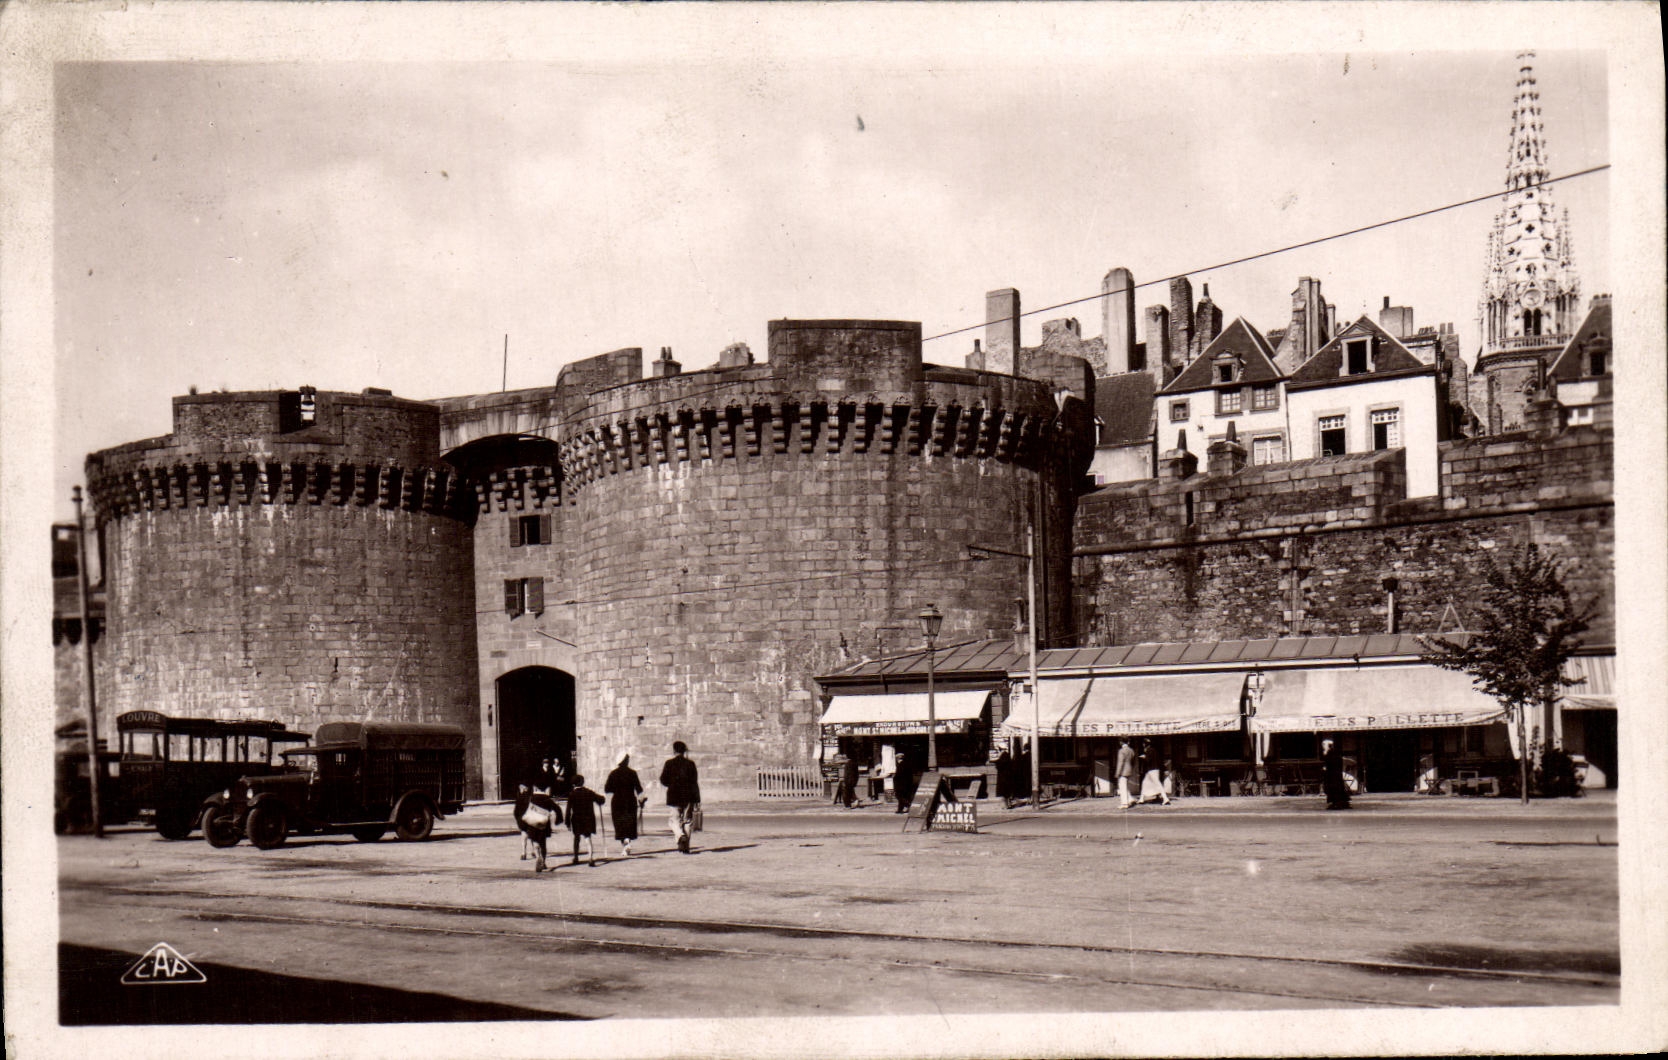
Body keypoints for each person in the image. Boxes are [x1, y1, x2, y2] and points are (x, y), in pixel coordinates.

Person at [660, 740, 701, 853]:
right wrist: (697, 799)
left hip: (674, 796)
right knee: (687, 821)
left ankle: (680, 835)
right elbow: (694, 782)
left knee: (674, 820)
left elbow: (663, 780)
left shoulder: (669, 763)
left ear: (674, 751)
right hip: (688, 796)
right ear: (684, 751)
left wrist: (671, 784)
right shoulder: (691, 764)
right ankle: (685, 847)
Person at [514, 783, 562, 873]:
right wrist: (558, 820)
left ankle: (537, 857)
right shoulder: (548, 799)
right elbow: (557, 809)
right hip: (544, 824)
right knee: (543, 843)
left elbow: (522, 810)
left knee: (535, 842)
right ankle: (543, 862)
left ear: (535, 788)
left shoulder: (530, 798)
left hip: (532, 823)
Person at [605, 754, 645, 857]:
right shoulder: (632, 773)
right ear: (626, 761)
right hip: (630, 800)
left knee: (619, 823)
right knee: (629, 822)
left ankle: (624, 843)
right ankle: (627, 841)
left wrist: (616, 788)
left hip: (617, 801)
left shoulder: (613, 774)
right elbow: (639, 789)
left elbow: (607, 789)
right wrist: (642, 800)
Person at [566, 774, 607, 865]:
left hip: (576, 820)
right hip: (588, 819)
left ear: (573, 784)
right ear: (582, 782)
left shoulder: (572, 794)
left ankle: (576, 857)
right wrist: (602, 799)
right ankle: (590, 857)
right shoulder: (588, 792)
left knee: (577, 838)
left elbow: (568, 810)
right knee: (587, 838)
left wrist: (567, 822)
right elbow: (600, 799)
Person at [1138, 741, 1171, 805]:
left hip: (1151, 770)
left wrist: (1144, 757)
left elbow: (1148, 760)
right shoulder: (1155, 751)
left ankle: (1165, 798)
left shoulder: (1148, 751)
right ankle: (1141, 799)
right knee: (1145, 783)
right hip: (1155, 770)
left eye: (1143, 744)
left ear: (1145, 745)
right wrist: (1164, 769)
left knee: (1157, 784)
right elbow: (1159, 761)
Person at [1322, 738, 1351, 811]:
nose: (1323, 746)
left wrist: (1326, 767)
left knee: (1334, 788)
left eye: (1324, 745)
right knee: (1334, 788)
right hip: (1333, 774)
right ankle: (1336, 802)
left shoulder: (1331, 753)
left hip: (1333, 774)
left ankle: (1336, 803)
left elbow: (1331, 763)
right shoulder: (1330, 752)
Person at [1114, 738, 1139, 809]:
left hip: (1122, 771)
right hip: (1129, 770)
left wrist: (1117, 773)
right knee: (1125, 786)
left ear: (1121, 742)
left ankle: (1124, 803)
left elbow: (1120, 762)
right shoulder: (1131, 750)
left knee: (1122, 787)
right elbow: (1133, 761)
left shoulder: (1121, 751)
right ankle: (1130, 799)